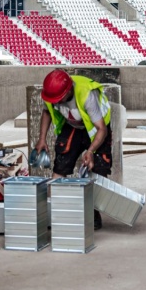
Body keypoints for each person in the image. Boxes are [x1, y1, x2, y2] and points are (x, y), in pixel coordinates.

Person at [34, 69, 112, 230]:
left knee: (98, 168)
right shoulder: (51, 93)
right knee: (61, 162)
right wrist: (42, 139)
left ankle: (93, 216)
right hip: (73, 126)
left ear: (69, 90)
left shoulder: (86, 95)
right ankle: (54, 214)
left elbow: (101, 129)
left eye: (59, 99)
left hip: (97, 127)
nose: (57, 102)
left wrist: (90, 151)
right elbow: (47, 112)